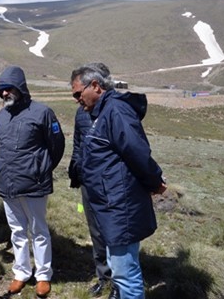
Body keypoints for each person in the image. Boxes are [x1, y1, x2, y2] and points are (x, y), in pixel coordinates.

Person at [70, 64, 167, 299]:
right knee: (120, 268)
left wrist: (155, 182)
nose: (76, 100)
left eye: (77, 93)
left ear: (95, 86)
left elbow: (137, 152)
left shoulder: (116, 112)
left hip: (119, 205)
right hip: (111, 203)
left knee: (126, 274)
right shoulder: (101, 113)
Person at [0, 65, 65, 298]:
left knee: (39, 230)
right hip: (7, 182)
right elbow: (0, 146)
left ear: (21, 88)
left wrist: (41, 168)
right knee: (17, 231)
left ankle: (43, 275)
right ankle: (21, 272)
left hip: (34, 183)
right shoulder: (0, 116)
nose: (4, 93)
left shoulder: (42, 112)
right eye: (1, 89)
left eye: (9, 88)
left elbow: (57, 146)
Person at [68, 63, 119, 299]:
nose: (79, 98)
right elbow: (78, 143)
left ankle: (120, 283)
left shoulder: (116, 109)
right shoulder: (82, 112)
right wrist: (75, 170)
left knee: (115, 234)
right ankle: (104, 278)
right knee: (96, 232)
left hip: (111, 183)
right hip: (89, 182)